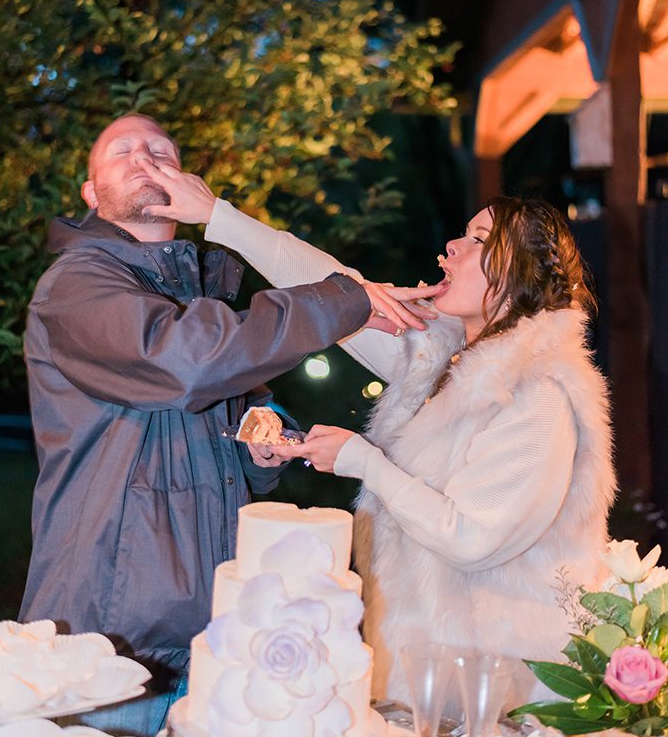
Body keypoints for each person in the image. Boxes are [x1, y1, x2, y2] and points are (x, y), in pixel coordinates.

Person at [141, 162, 615, 707]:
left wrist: (362, 460)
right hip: (416, 673)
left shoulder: (540, 391)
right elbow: (326, 280)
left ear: (522, 271)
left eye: (478, 239)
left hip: (496, 692)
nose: (450, 248)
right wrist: (217, 217)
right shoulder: (441, 361)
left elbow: (472, 538)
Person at [17, 113, 422, 737]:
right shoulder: (78, 282)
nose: (145, 158)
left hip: (210, 643)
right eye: (122, 151)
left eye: (160, 149)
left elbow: (207, 415)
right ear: (91, 195)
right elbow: (186, 362)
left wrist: (257, 448)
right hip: (108, 644)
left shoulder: (193, 295)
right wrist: (344, 300)